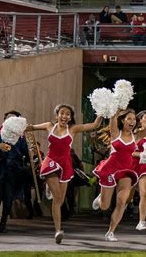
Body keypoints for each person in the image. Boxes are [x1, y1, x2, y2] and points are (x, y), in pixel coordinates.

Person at [27, 104, 102, 244]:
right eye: (62, 113)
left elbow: (94, 125)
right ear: (57, 115)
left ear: (70, 117)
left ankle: (51, 192)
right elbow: (31, 127)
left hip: (65, 164)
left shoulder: (72, 129)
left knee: (60, 200)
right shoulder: (49, 126)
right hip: (51, 162)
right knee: (57, 197)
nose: (64, 116)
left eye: (68, 114)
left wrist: (104, 110)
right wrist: (16, 126)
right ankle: (58, 230)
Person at [92, 109, 138, 242]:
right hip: (111, 168)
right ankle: (101, 198)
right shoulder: (115, 133)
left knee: (122, 201)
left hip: (126, 171)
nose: (132, 121)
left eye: (134, 119)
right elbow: (113, 118)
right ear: (123, 120)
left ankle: (111, 232)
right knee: (105, 206)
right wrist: (114, 108)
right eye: (129, 118)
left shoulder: (135, 135)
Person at [0, 110, 30, 233]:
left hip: (13, 170)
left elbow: (26, 153)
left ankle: (3, 223)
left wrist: (31, 151)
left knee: (9, 197)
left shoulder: (21, 139)